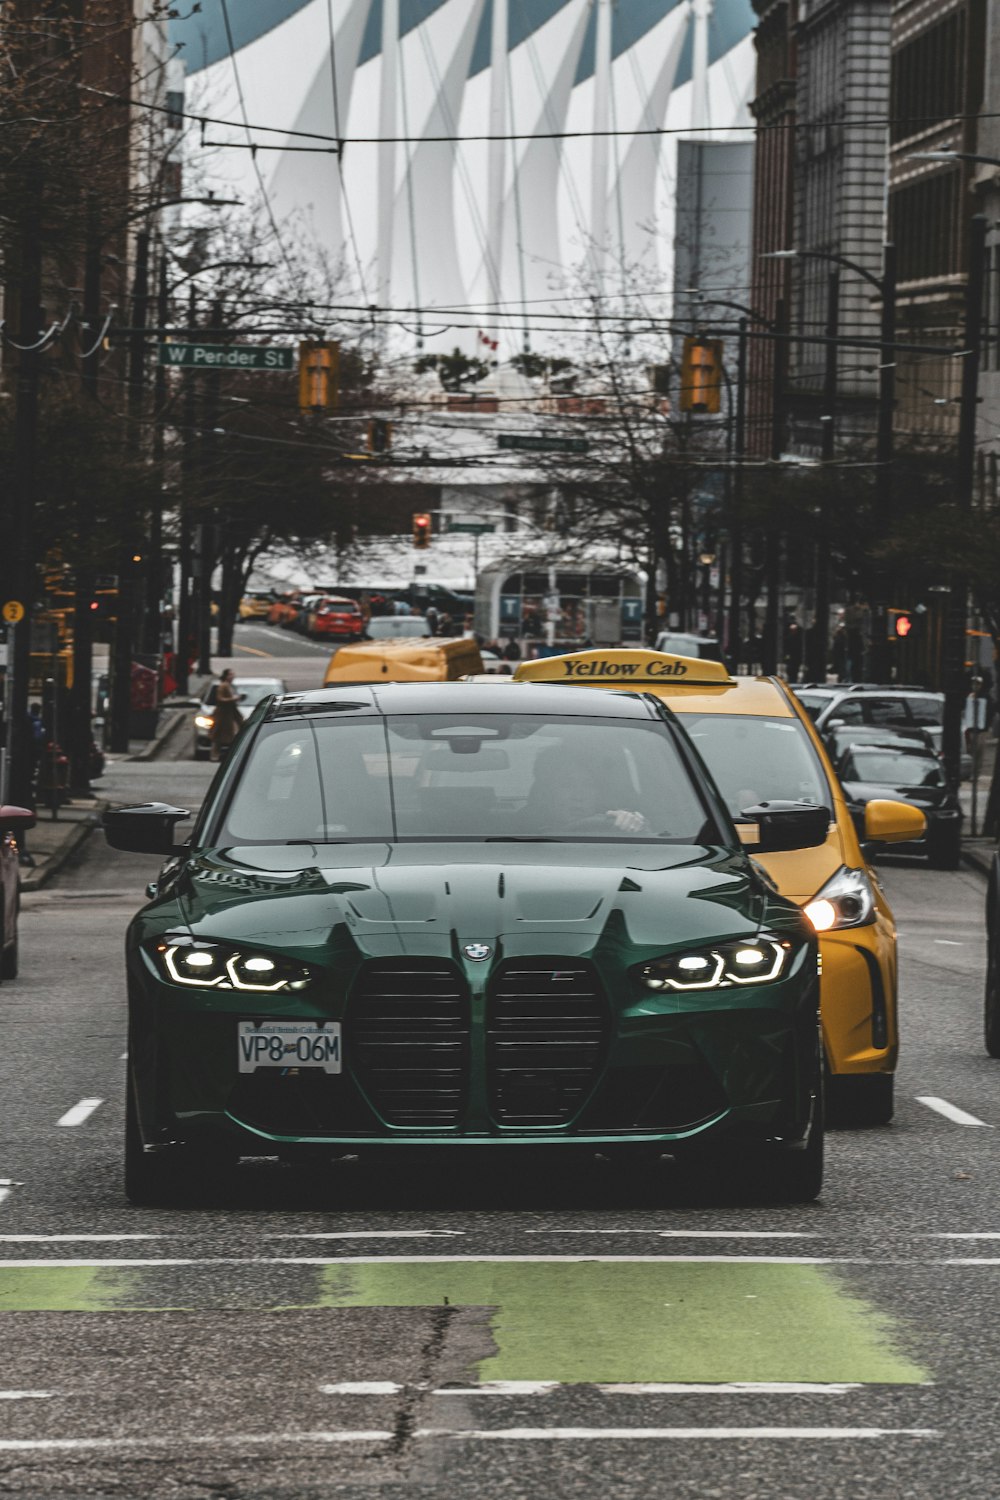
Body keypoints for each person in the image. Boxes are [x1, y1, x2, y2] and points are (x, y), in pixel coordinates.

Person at [210, 669, 243, 762]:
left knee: (231, 734)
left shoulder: (230, 686)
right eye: (230, 675)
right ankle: (215, 755)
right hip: (222, 714)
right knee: (218, 735)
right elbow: (220, 698)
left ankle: (228, 754)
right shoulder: (223, 686)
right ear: (226, 676)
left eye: (233, 674)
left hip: (230, 713)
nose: (232, 676)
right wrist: (233, 699)